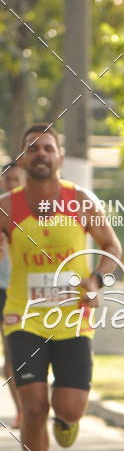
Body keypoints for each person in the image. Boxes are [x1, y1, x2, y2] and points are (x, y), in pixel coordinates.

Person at [0, 123, 121, 451]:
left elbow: (112, 247)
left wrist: (98, 280)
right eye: (32, 148)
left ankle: (66, 420)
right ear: (22, 158)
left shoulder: (80, 200)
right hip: (24, 318)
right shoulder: (6, 206)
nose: (40, 154)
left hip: (73, 321)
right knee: (34, 406)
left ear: (59, 158)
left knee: (68, 409)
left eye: (48, 148)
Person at [0, 161, 25, 428]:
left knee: (15, 354)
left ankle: (25, 409)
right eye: (8, 180)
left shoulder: (34, 210)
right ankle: (21, 410)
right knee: (9, 356)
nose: (12, 184)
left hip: (21, 292)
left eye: (17, 179)